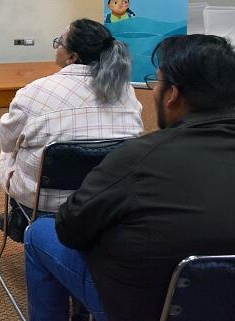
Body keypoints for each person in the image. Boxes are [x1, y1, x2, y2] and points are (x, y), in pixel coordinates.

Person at [25, 34, 235, 321]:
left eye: (157, 82)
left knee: (39, 233)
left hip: (143, 307)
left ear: (173, 95)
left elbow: (69, 228)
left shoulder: (138, 158)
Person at [0, 18, 143, 220]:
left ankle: (22, 218)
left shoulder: (33, 92)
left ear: (72, 56)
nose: (56, 46)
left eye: (59, 42)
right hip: (107, 196)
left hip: (45, 202)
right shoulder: (126, 91)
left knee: (8, 149)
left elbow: (6, 142)